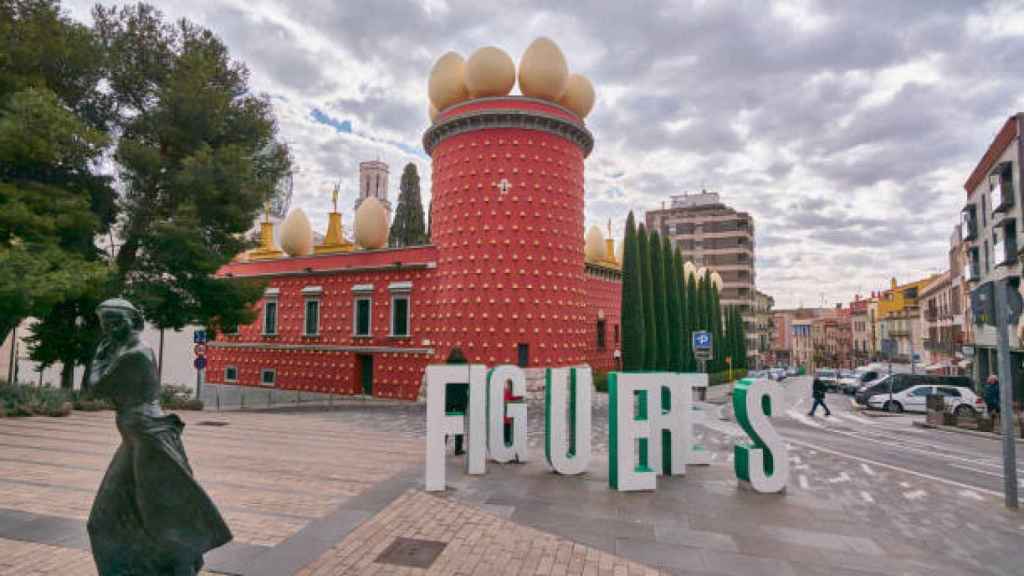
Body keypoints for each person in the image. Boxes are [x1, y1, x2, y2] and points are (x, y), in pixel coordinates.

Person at [86, 298, 231, 575]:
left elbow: (95, 387)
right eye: (105, 324)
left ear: (135, 322)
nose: (111, 329)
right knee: (106, 521)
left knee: (162, 518)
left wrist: (99, 357)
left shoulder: (135, 353)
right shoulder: (123, 349)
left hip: (148, 439)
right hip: (136, 439)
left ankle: (181, 566)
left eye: (117, 322)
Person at [444, 347, 469, 455]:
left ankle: (441, 446)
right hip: (461, 398)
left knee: (446, 423)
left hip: (448, 398)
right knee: (459, 423)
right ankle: (458, 448)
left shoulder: (447, 366)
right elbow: (467, 383)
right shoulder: (465, 366)